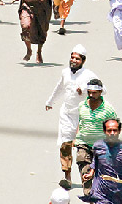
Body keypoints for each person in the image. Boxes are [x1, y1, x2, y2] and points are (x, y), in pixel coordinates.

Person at [47, 45, 99, 189]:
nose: (74, 60)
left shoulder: (89, 75)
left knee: (83, 148)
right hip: (66, 114)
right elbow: (59, 87)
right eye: (72, 57)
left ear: (83, 60)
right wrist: (50, 102)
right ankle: (67, 177)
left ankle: (87, 178)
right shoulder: (65, 73)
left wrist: (85, 89)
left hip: (83, 116)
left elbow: (103, 89)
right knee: (65, 145)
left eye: (77, 58)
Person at [82, 118, 122, 204]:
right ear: (104, 131)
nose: (112, 133)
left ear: (119, 131)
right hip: (101, 192)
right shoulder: (98, 146)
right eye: (109, 130)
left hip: (120, 192)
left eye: (115, 130)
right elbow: (96, 160)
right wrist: (91, 173)